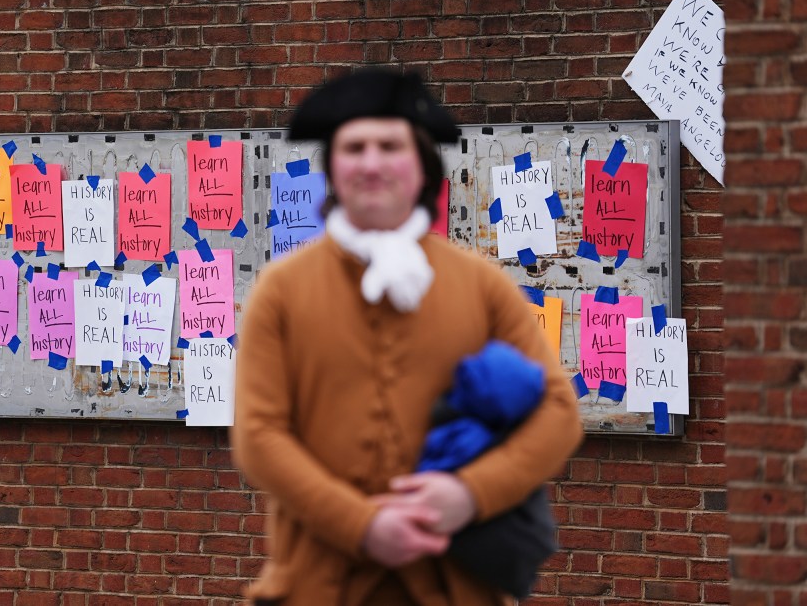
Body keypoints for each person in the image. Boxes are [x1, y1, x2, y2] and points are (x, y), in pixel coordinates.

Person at [231, 68, 583, 606]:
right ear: (333, 167)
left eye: (389, 145)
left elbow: (559, 411)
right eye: (354, 147)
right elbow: (259, 436)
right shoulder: (281, 290)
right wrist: (362, 525)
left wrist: (469, 494)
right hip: (317, 589)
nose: (371, 163)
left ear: (421, 166)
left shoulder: (482, 285)